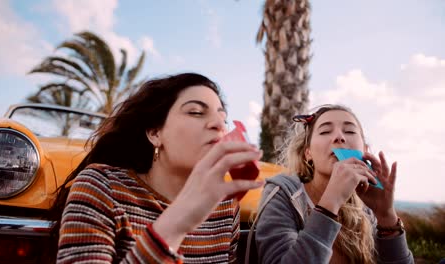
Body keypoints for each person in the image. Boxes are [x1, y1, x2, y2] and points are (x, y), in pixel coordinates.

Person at [49, 73, 264, 263]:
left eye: (222, 117)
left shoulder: (225, 208)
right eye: (196, 112)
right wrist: (177, 222)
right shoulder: (102, 187)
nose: (218, 124)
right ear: (155, 133)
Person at [254, 104, 414, 263]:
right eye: (325, 131)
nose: (339, 137)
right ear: (307, 153)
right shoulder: (283, 193)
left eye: (350, 131)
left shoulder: (367, 211)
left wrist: (386, 216)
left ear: (364, 150)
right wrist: (331, 202)